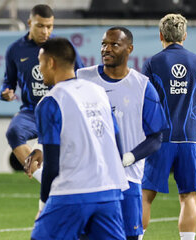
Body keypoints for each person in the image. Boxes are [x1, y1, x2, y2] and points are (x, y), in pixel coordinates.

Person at [30, 37, 129, 240]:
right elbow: (117, 145)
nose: (39, 70)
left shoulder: (50, 102)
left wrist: (43, 204)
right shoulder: (99, 93)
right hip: (108, 192)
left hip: (72, 193)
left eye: (40, 63)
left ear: (51, 63)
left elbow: (52, 164)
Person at [76, 27, 168, 240]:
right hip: (89, 179)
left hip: (127, 181)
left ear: (130, 49)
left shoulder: (143, 87)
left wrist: (129, 157)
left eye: (114, 44)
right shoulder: (83, 78)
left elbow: (156, 137)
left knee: (129, 237)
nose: (106, 49)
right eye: (103, 44)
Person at [0, 4, 84, 181]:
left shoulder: (62, 47)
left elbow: (81, 77)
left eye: (49, 26)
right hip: (32, 111)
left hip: (60, 110)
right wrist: (5, 93)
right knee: (14, 131)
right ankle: (46, 181)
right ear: (30, 22)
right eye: (40, 26)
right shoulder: (15, 50)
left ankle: (61, 179)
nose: (45, 31)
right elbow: (8, 81)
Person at [141, 14, 196, 240]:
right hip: (191, 139)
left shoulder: (152, 63)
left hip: (160, 139)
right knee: (189, 196)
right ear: (185, 35)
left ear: (160, 35)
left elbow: (145, 103)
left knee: (145, 196)